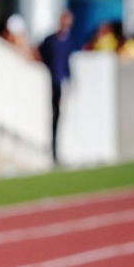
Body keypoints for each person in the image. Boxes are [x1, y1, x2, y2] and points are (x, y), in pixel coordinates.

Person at [37, 9, 77, 163]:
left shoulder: (68, 41)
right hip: (51, 82)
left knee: (58, 117)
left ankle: (56, 152)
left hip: (60, 83)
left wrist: (69, 81)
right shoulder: (50, 40)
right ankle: (52, 151)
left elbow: (67, 63)